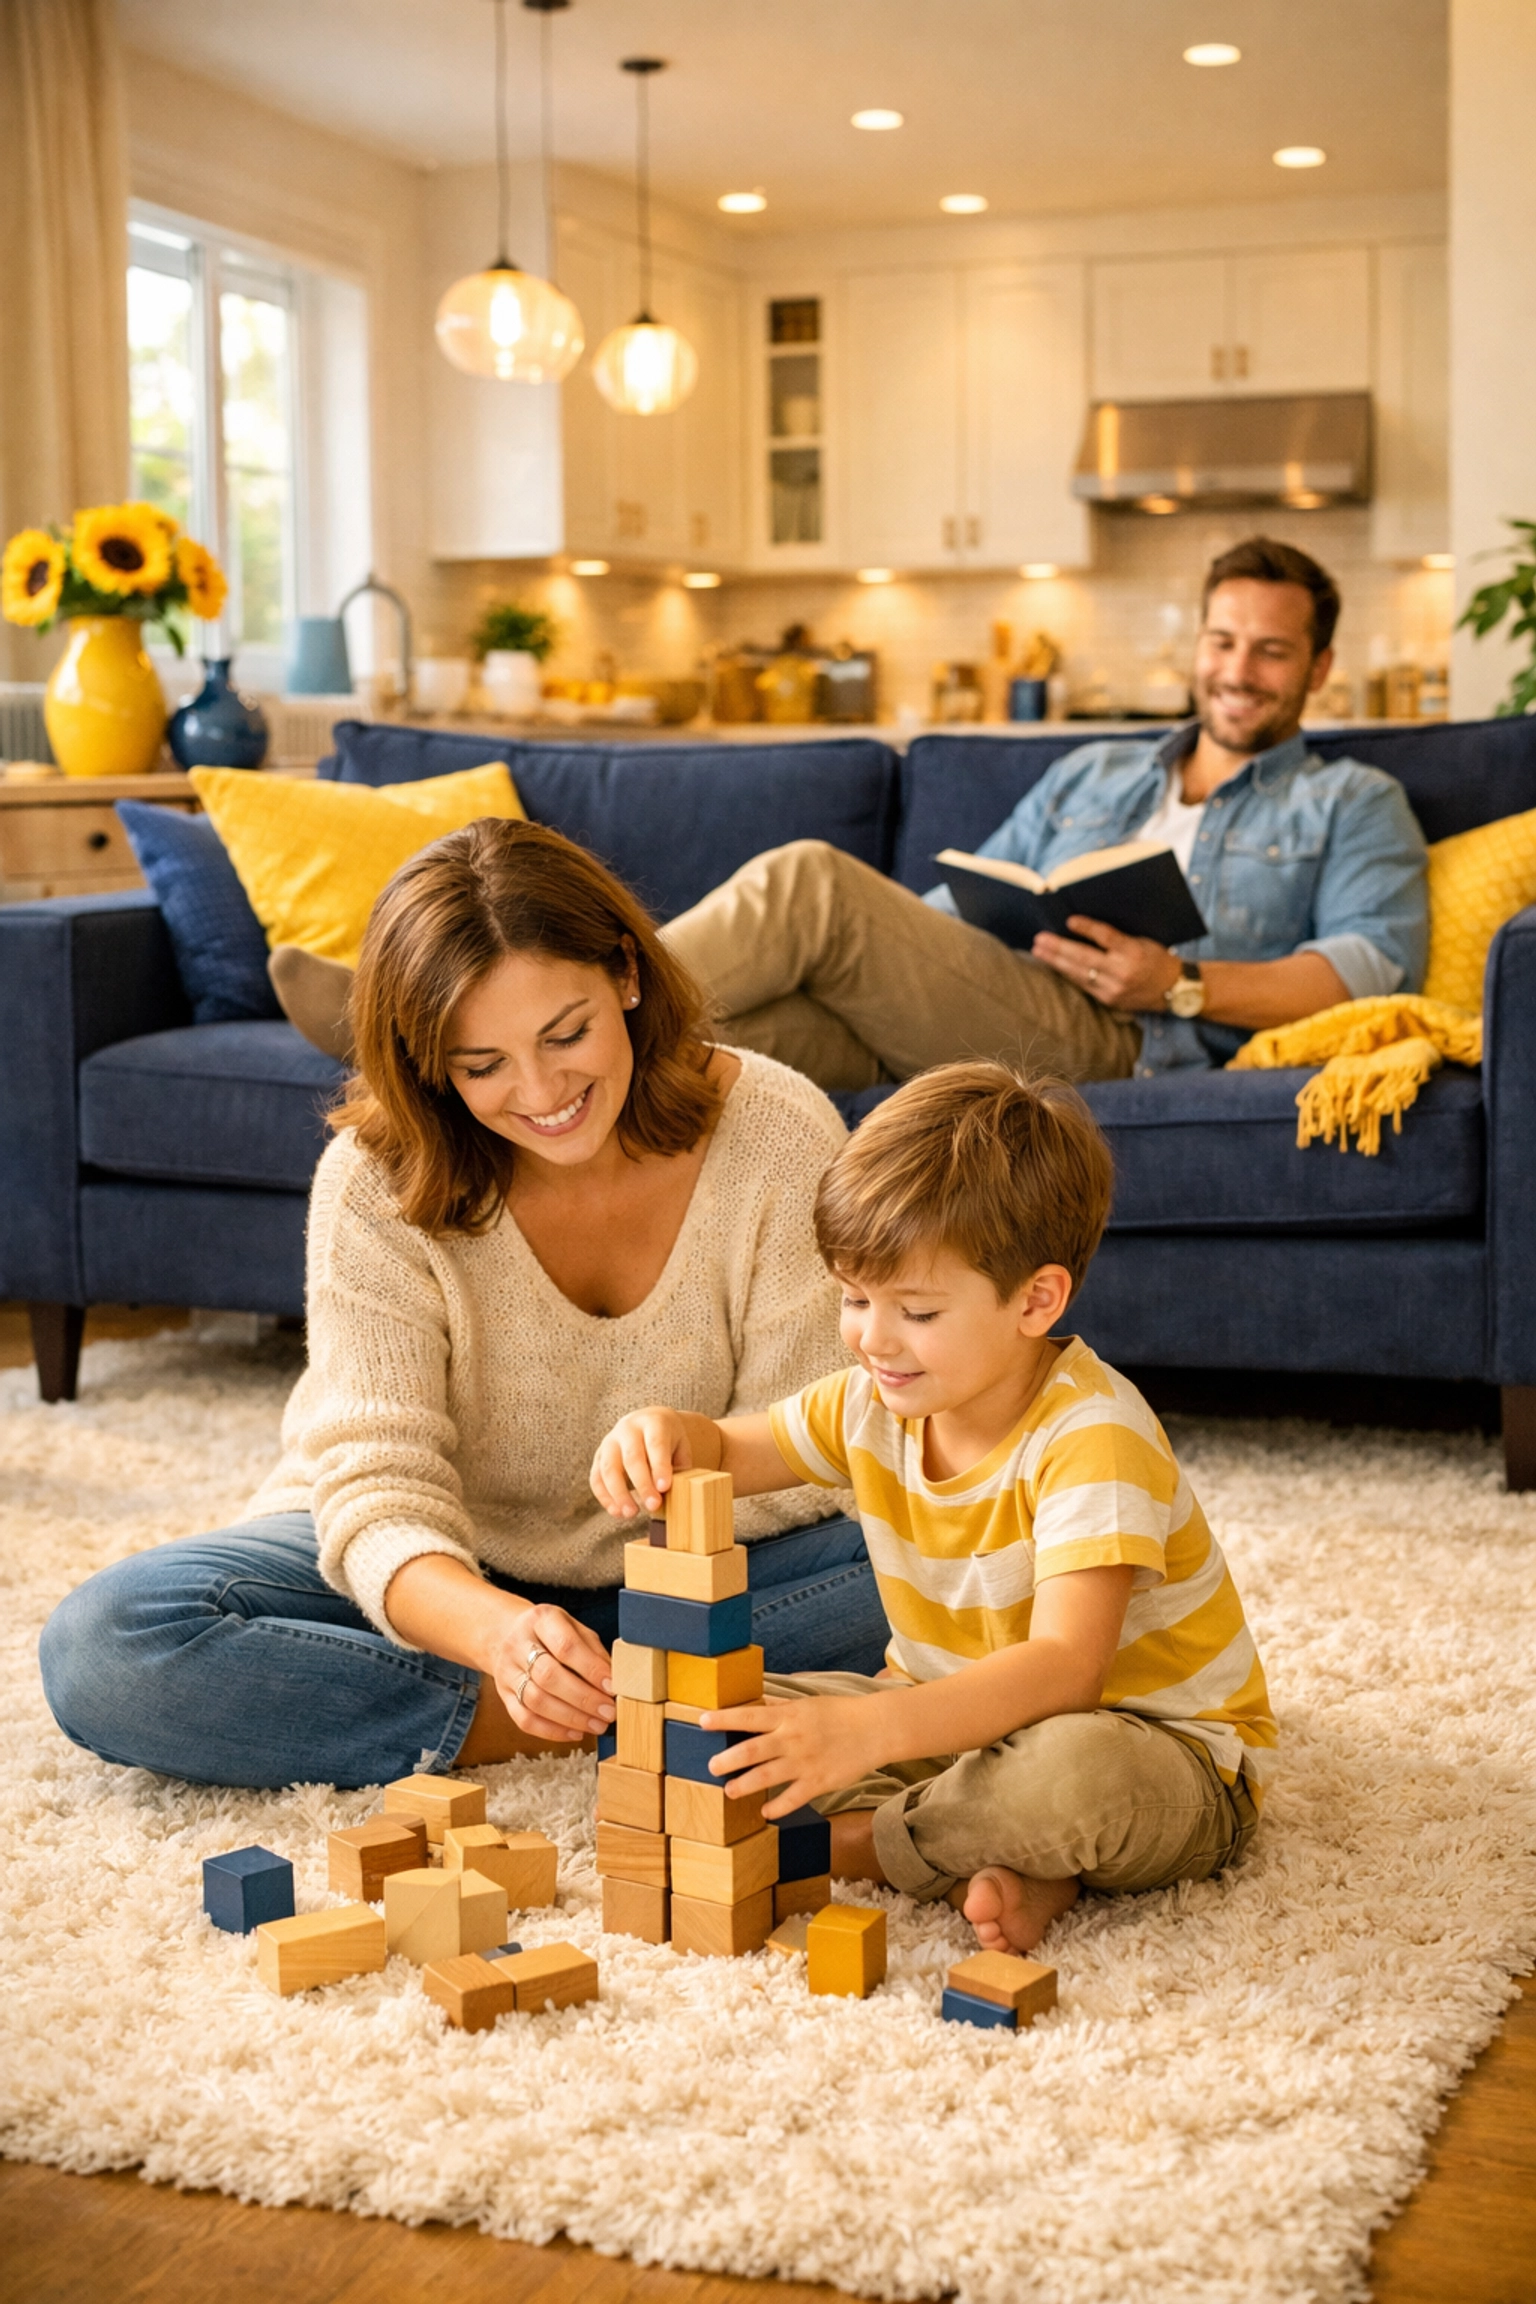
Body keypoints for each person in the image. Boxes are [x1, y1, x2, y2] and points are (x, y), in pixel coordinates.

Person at [38, 820, 887, 1792]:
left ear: (626, 974)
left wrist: (696, 1473)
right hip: (445, 1584)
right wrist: (499, 1636)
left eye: (565, 1034)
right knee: (108, 1645)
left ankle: (602, 1690)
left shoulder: (778, 1131)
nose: (541, 1092)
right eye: (481, 1065)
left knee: (985, 1554)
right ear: (428, 1061)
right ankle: (606, 1715)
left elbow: (823, 1448)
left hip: (702, 1579)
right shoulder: (375, 1178)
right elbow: (375, 1496)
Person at [591, 1062, 1276, 1953]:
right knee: (688, 1728)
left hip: (1156, 1751)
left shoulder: (1092, 1435)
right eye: (854, 1298)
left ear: (1036, 1300)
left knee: (1065, 1783)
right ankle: (1010, 1862)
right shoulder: (873, 1402)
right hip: (950, 1720)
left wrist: (869, 1731)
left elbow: (1068, 1669)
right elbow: (727, 1448)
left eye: (914, 1310)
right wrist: (664, 1431)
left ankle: (867, 1847)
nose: (872, 1338)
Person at [661, 537, 1429, 1091]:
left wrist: (1176, 983)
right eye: (1222, 642)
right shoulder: (1094, 771)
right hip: (978, 1011)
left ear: (1320, 667)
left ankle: (579, 1004)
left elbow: (1363, 975)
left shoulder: (1354, 799)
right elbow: (955, 908)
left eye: (1271, 651)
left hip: (1126, 1040)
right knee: (699, 1052)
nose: (1236, 671)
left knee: (811, 883)